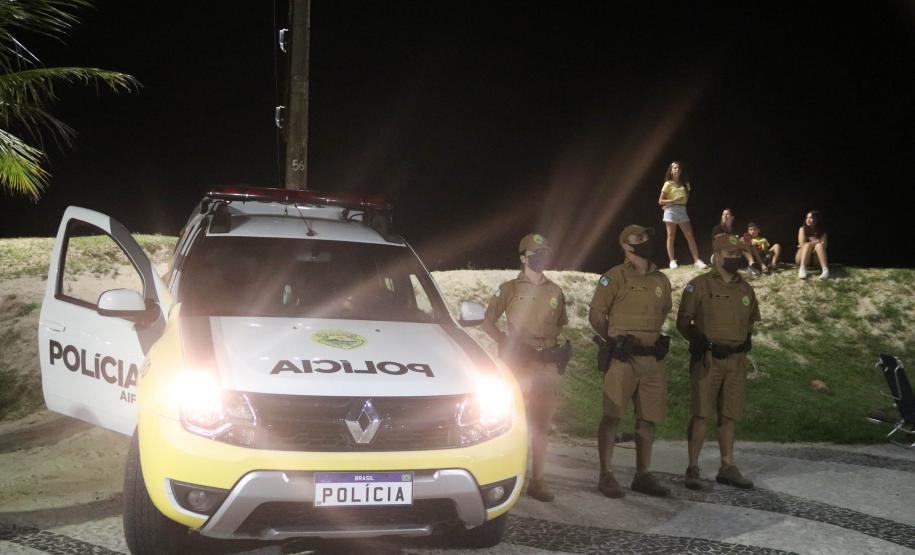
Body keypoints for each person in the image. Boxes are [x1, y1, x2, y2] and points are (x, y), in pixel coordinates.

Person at [482, 233, 571, 502]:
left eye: (545, 251)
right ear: (523, 257)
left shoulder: (555, 290)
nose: (541, 256)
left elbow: (559, 325)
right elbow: (487, 321)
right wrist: (504, 342)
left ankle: (538, 480)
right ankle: (509, 476)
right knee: (512, 422)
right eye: (536, 252)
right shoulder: (508, 288)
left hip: (545, 363)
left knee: (541, 423)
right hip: (518, 363)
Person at [589, 225, 673, 498]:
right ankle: (606, 474)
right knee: (612, 415)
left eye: (647, 237)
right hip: (621, 358)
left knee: (648, 419)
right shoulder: (613, 277)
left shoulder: (661, 280)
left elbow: (663, 313)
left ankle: (643, 475)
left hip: (651, 360)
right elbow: (596, 316)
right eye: (638, 238)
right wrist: (612, 341)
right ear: (626, 246)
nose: (646, 241)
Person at [677, 233, 761, 491]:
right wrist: (697, 340)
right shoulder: (699, 285)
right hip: (709, 359)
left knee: (729, 415)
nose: (735, 257)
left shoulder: (746, 288)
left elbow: (750, 322)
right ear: (717, 255)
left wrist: (745, 341)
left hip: (736, 360)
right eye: (730, 253)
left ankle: (727, 466)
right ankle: (693, 467)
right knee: (701, 414)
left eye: (738, 253)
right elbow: (682, 322)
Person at [658, 161, 707, 270]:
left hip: (682, 210)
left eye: (678, 168)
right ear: (671, 171)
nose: (677, 169)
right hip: (670, 210)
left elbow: (687, 196)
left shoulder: (685, 183)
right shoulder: (668, 184)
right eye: (675, 168)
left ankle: (697, 260)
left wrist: (681, 204)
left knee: (690, 235)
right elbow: (660, 201)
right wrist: (672, 201)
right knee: (671, 236)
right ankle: (672, 261)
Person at [712, 208, 765, 275]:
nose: (725, 216)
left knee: (745, 241)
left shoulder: (735, 229)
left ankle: (752, 264)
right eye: (723, 214)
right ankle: (757, 265)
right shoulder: (718, 228)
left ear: (732, 217)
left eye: (727, 214)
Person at [795, 210, 829, 280]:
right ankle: (802, 269)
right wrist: (815, 242)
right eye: (807, 217)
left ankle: (825, 270)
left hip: (815, 259)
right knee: (807, 245)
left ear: (816, 219)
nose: (808, 219)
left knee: (819, 246)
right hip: (802, 257)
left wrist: (816, 244)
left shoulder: (822, 231)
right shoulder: (802, 229)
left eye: (811, 218)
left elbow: (824, 245)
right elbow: (802, 245)